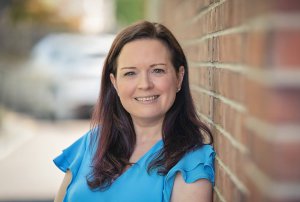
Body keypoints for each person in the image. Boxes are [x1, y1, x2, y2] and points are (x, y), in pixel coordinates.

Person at [53, 20, 215, 202]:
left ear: (179, 77)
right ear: (114, 83)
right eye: (130, 73)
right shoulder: (92, 142)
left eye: (158, 70)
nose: (145, 85)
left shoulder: (191, 163)